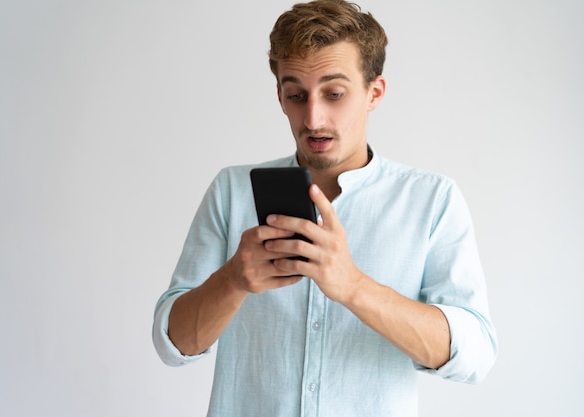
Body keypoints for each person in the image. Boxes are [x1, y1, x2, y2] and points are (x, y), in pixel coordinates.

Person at [153, 0, 497, 415]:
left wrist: (354, 287)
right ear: (280, 97)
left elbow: (474, 355)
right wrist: (232, 280)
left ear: (375, 93)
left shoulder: (432, 200)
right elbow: (173, 345)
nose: (313, 118)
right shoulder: (232, 190)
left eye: (334, 94)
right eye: (296, 94)